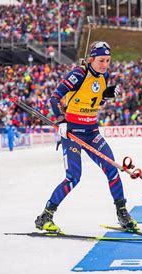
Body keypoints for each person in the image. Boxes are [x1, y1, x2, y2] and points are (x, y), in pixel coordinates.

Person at [35, 41, 136, 233]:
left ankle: (122, 213)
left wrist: (106, 94)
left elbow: (94, 99)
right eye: (100, 60)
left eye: (107, 60)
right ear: (91, 59)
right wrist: (61, 120)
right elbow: (55, 97)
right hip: (72, 132)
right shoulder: (78, 74)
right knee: (73, 177)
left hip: (92, 132)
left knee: (112, 169)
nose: (104, 64)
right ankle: (45, 216)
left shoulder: (104, 76)